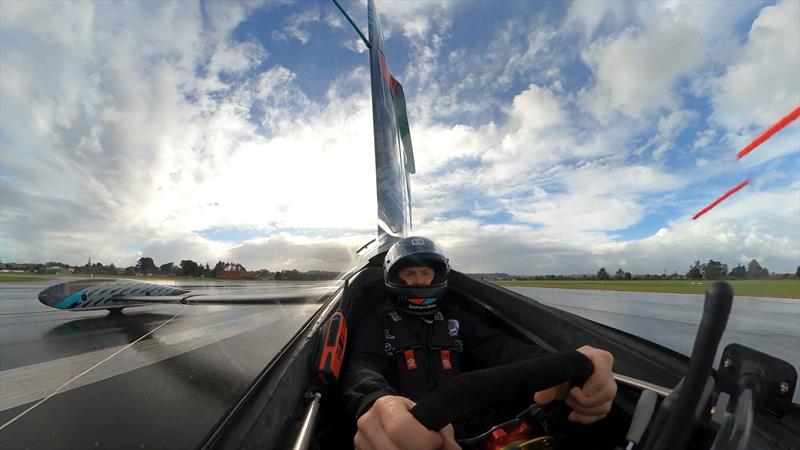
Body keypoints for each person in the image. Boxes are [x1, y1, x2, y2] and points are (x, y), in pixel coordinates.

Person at [341, 236, 617, 450]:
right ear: (395, 276)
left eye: (425, 274)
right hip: (414, 430)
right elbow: (362, 368)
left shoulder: (457, 318)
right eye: (410, 274)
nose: (420, 281)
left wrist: (564, 365)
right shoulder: (376, 321)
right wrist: (377, 402)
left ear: (436, 276)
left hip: (477, 428)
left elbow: (503, 347)